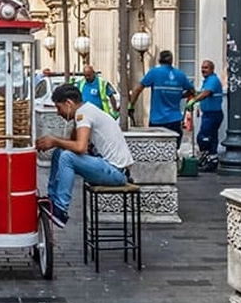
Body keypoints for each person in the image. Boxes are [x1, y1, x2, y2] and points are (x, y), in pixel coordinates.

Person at [36, 84, 134, 228]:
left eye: (59, 108)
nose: (58, 113)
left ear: (69, 103)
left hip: (116, 171)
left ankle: (61, 209)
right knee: (59, 152)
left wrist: (55, 140)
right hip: (108, 167)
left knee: (66, 157)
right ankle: (52, 199)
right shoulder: (85, 111)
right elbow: (72, 143)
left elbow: (80, 147)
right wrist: (58, 141)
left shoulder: (84, 114)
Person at [128, 50, 194, 147]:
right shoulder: (180, 75)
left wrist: (131, 106)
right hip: (175, 119)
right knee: (173, 149)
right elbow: (192, 91)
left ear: (159, 60)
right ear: (171, 60)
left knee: (156, 148)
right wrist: (180, 96)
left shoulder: (154, 73)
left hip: (157, 120)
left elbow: (137, 90)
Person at [187, 59, 225, 171]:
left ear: (212, 69)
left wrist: (194, 100)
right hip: (208, 114)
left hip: (213, 114)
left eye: (206, 68)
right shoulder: (207, 81)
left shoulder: (213, 80)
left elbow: (206, 93)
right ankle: (212, 161)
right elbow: (201, 93)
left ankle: (206, 157)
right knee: (212, 138)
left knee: (203, 138)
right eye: (202, 68)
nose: (203, 70)